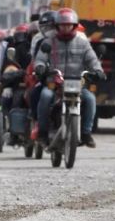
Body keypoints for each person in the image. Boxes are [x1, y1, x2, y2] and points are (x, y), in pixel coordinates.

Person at [34, 8, 104, 149]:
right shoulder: (48, 42)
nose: (66, 28)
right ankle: (42, 133)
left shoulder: (83, 43)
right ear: (57, 26)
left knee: (90, 99)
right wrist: (40, 67)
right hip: (55, 83)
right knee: (45, 96)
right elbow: (40, 59)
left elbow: (92, 60)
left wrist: (98, 71)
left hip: (77, 83)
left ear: (74, 25)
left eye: (69, 25)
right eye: (62, 25)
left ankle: (86, 133)